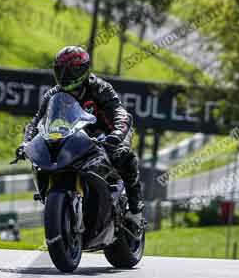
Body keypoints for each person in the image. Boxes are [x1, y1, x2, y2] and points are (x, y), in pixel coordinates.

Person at [16, 46, 144, 224]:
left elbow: (120, 113)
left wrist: (116, 135)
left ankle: (136, 211)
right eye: (61, 70)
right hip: (75, 138)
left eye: (72, 69)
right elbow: (37, 121)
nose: (65, 75)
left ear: (84, 69)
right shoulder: (53, 94)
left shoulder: (100, 87)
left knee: (124, 157)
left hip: (109, 136)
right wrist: (25, 143)